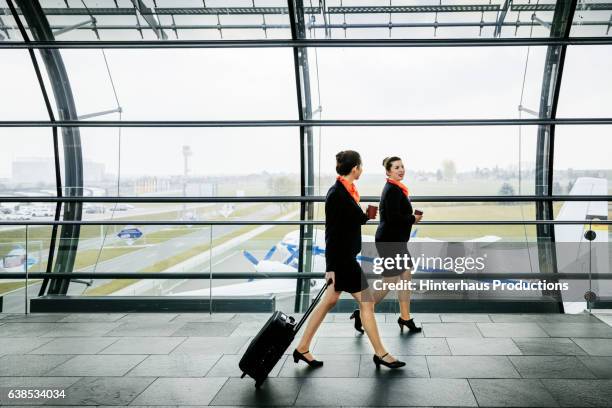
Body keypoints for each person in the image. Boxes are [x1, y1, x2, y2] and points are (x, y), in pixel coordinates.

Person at [293, 150, 405, 370]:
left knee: (330, 301)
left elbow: (350, 220)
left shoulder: (345, 191)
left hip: (345, 258)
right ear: (355, 168)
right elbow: (332, 233)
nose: (362, 169)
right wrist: (331, 268)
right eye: (361, 166)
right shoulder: (338, 194)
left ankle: (302, 347)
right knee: (367, 303)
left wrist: (364, 216)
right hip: (342, 261)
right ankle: (381, 354)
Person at [350, 156, 423, 334]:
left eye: (402, 166)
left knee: (405, 277)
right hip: (390, 241)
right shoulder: (392, 190)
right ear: (388, 171)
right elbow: (393, 218)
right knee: (390, 281)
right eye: (396, 167)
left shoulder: (396, 188)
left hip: (395, 240)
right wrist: (413, 218)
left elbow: (395, 216)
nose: (401, 170)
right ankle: (363, 312)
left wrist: (410, 218)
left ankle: (405, 318)